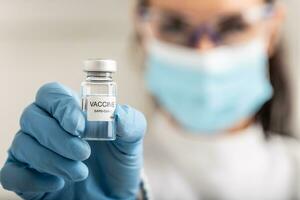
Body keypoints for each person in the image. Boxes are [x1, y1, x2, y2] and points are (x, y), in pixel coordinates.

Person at [0, 0, 299, 200]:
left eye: (233, 26)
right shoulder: (93, 172)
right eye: (174, 26)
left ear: (272, 29)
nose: (205, 52)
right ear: (142, 30)